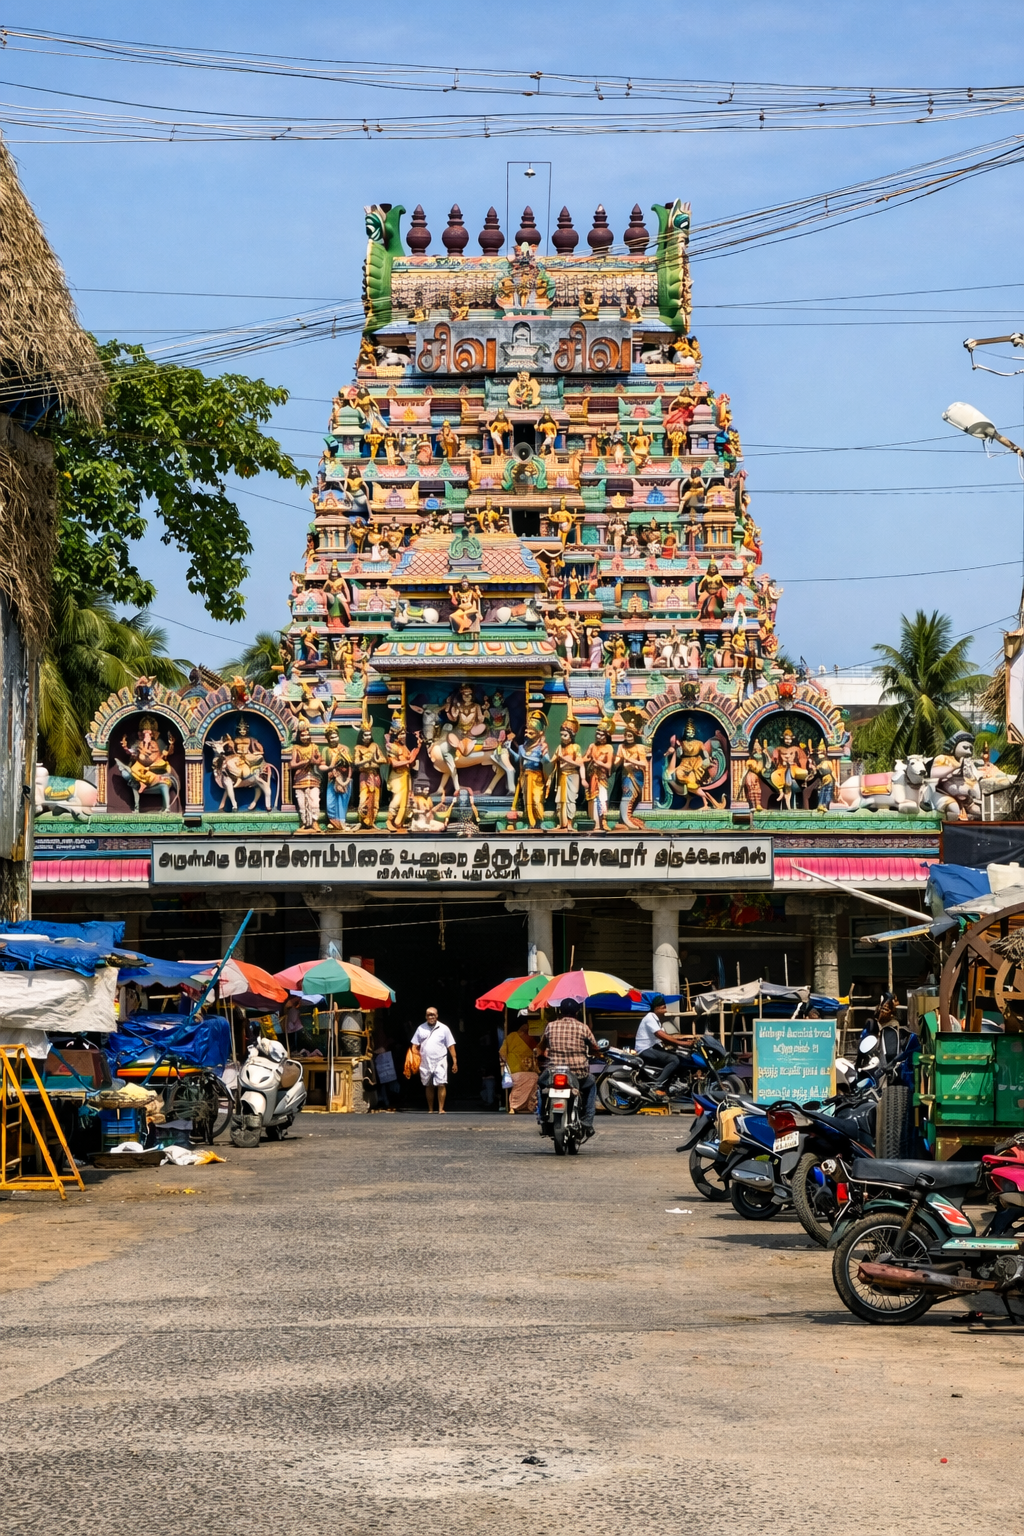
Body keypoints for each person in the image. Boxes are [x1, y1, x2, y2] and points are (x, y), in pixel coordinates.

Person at [537, 999, 599, 1139]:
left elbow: (541, 1047)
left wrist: (541, 1055)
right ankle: (588, 1122)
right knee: (591, 1084)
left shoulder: (550, 1026)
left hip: (554, 1072)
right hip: (579, 1073)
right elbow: (595, 1047)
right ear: (576, 1012)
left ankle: (542, 1117)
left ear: (560, 1011)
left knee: (541, 1085)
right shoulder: (583, 1027)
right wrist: (597, 1053)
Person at [633, 994, 694, 1097]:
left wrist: (684, 1040)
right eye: (663, 1007)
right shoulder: (650, 1018)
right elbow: (661, 1036)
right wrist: (682, 1043)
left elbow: (667, 1037)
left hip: (653, 1048)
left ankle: (670, 1086)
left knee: (680, 1056)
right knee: (674, 1060)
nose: (665, 1010)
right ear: (656, 1008)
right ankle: (656, 1086)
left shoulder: (657, 1021)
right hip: (646, 1050)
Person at [412, 1007, 458, 1114]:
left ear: (437, 1016)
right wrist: (415, 1056)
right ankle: (431, 1109)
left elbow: (451, 1046)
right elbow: (414, 1045)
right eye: (429, 1015)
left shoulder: (444, 1028)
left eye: (433, 1015)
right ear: (426, 1016)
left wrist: (454, 1061)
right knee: (429, 1084)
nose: (431, 1017)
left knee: (441, 1083)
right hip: (425, 1060)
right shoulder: (420, 1028)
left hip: (440, 1059)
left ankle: (441, 1108)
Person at [500, 1012, 539, 1115]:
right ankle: (514, 1105)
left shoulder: (530, 1037)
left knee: (534, 1077)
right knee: (532, 1077)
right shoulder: (513, 1036)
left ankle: (526, 1105)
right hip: (515, 1070)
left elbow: (536, 1050)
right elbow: (502, 1052)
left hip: (525, 1069)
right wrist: (505, 1065)